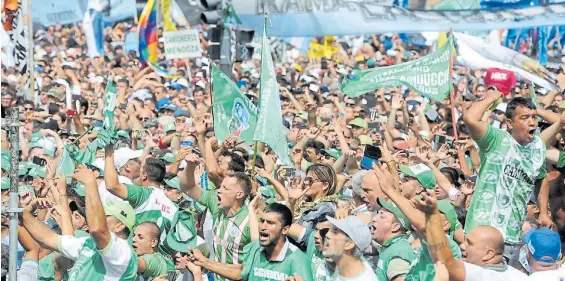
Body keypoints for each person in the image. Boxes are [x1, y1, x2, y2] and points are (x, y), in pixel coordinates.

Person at [462, 89, 550, 267]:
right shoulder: (495, 139)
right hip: (483, 233)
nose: (532, 122)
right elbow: (470, 119)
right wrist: (491, 97)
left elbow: (542, 178)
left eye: (534, 116)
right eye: (524, 118)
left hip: (512, 236)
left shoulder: (538, 146)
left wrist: (543, 212)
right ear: (510, 123)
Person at [20, 165, 138, 281]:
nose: (99, 219)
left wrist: (90, 183)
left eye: (105, 216)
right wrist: (21, 211)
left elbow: (98, 229)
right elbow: (47, 238)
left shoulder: (122, 253)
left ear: (120, 226)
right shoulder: (88, 244)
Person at [413, 191, 528, 281]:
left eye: (470, 243)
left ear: (489, 254)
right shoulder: (519, 277)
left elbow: (446, 262)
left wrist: (432, 216)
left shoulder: (481, 276)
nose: (462, 245)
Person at [187, 202, 314, 281]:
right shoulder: (255, 248)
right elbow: (241, 273)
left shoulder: (297, 260)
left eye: (270, 223)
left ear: (285, 230)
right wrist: (203, 261)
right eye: (262, 221)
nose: (263, 226)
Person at [181, 151, 252, 281]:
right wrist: (190, 167)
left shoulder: (250, 222)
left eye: (225, 188)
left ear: (239, 195)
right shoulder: (215, 201)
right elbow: (188, 187)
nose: (219, 190)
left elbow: (244, 272)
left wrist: (204, 262)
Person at [371, 197, 416, 281]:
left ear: (395, 227)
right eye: (377, 214)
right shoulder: (391, 247)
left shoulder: (399, 251)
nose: (374, 219)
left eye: (382, 216)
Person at [323, 216, 377, 281]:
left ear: (349, 244)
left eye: (335, 232)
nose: (327, 234)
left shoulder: (365, 278)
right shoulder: (342, 265)